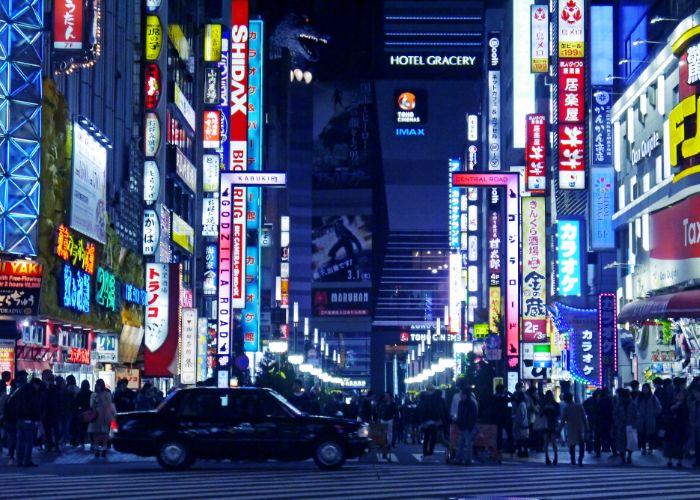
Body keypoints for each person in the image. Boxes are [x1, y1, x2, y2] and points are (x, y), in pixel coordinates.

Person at [12, 375, 42, 467]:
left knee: (20, 440)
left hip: (19, 419)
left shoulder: (19, 391)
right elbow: (35, 407)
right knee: (28, 441)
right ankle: (27, 460)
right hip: (28, 419)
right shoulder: (31, 393)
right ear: (35, 385)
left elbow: (11, 402)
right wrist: (37, 418)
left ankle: (19, 461)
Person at [88, 379, 115, 458]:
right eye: (97, 384)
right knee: (96, 433)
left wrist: (101, 401)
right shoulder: (93, 395)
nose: (98, 386)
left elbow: (109, 403)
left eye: (99, 385)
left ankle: (104, 449)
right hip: (96, 415)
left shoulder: (107, 394)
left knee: (104, 433)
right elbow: (91, 405)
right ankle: (96, 448)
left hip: (104, 415)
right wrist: (95, 402)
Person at [418, 385, 444, 460]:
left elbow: (421, 409)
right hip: (433, 420)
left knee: (426, 436)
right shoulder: (435, 398)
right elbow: (439, 409)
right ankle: (430, 452)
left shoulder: (424, 397)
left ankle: (425, 452)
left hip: (426, 420)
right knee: (433, 436)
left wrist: (422, 421)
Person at [665, 385, 689, 468]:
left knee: (680, 444)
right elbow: (667, 411)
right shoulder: (672, 402)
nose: (679, 396)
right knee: (670, 443)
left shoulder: (686, 404)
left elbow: (686, 415)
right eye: (678, 394)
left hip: (681, 426)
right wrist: (675, 406)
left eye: (681, 394)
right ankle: (669, 460)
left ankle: (680, 461)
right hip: (671, 426)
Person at [561, 393, 588, 466]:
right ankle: (580, 458)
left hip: (571, 427)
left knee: (572, 444)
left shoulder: (566, 408)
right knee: (581, 443)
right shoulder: (579, 406)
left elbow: (563, 419)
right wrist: (586, 427)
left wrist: (559, 429)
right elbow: (584, 417)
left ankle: (573, 458)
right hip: (580, 426)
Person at [613, 388, 638, 464]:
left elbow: (636, 414)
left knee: (630, 441)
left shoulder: (632, 403)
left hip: (630, 425)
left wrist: (634, 423)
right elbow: (615, 413)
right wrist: (617, 422)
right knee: (621, 442)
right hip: (621, 425)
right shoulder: (618, 403)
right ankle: (622, 457)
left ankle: (629, 456)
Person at [455, 387, 478, 465]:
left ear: (465, 395)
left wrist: (469, 426)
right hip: (463, 426)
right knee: (461, 443)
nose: (460, 395)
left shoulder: (470, 404)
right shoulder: (462, 403)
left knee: (467, 444)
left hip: (468, 427)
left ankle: (467, 459)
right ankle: (460, 459)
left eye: (461, 394)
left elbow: (473, 416)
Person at [637, 382, 661, 455]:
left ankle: (650, 448)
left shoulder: (653, 397)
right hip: (641, 419)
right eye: (644, 388)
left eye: (646, 388)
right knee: (642, 434)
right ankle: (643, 448)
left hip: (650, 419)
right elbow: (635, 407)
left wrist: (653, 414)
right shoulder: (639, 398)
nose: (645, 390)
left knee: (651, 435)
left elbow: (658, 408)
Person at [491, 384, 513, 459]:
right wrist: (508, 392)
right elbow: (514, 398)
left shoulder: (494, 398)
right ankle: (510, 449)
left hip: (498, 418)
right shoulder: (505, 398)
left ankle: (499, 449)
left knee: (499, 435)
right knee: (509, 434)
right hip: (506, 418)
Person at [541, 390, 560, 465]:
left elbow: (558, 413)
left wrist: (550, 409)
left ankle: (553, 457)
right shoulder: (547, 405)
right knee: (548, 442)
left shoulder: (555, 404)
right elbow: (540, 414)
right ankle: (548, 457)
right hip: (549, 424)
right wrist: (546, 409)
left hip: (551, 424)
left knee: (552, 442)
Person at [75, 380, 92, 448]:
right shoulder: (91, 393)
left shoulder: (79, 394)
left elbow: (76, 404)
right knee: (90, 428)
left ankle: (82, 442)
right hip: (90, 412)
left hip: (81, 412)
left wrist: (77, 411)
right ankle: (92, 442)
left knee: (82, 428)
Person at [512, 391, 530, 458]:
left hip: (521, 425)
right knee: (523, 440)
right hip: (524, 424)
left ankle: (522, 452)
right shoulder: (523, 404)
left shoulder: (521, 405)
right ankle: (524, 452)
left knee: (520, 440)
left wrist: (517, 424)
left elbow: (520, 416)